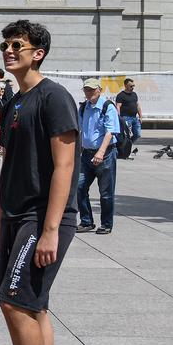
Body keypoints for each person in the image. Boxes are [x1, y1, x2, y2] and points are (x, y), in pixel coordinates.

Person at [0, 19, 78, 345]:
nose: (8, 50)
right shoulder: (15, 100)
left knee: (15, 303)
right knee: (34, 306)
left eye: (17, 45)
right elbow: (10, 165)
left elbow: (65, 167)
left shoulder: (54, 97)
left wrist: (50, 230)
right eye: (6, 44)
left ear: (37, 52)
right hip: (16, 216)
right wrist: (1, 216)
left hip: (44, 217)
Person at [75, 79, 118, 234]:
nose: (89, 93)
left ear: (99, 90)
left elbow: (110, 131)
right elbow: (80, 130)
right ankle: (86, 221)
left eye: (92, 90)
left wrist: (100, 152)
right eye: (86, 90)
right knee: (79, 187)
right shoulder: (83, 107)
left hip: (105, 154)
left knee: (106, 193)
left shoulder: (107, 107)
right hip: (86, 154)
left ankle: (106, 224)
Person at [114, 78, 142, 156]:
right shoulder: (121, 95)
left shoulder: (134, 94)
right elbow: (118, 106)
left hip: (134, 118)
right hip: (125, 118)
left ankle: (127, 145)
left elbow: (137, 105)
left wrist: (140, 116)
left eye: (133, 86)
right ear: (125, 85)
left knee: (138, 134)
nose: (132, 87)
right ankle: (124, 149)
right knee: (126, 135)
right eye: (131, 86)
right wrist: (119, 117)